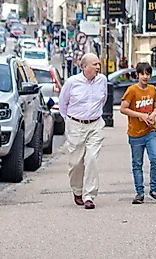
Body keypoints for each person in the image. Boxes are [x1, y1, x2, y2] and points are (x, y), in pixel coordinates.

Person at [58, 53, 108, 210]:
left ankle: (89, 196)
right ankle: (77, 190)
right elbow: (63, 104)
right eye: (94, 64)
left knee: (92, 159)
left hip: (95, 125)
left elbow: (103, 100)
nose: (98, 67)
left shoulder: (102, 81)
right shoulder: (72, 82)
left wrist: (93, 114)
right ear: (84, 67)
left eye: (98, 64)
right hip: (76, 125)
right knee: (75, 162)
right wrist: (70, 121)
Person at [120, 62, 156, 205]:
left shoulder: (152, 89)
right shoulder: (132, 90)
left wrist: (153, 114)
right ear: (137, 75)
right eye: (142, 74)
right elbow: (123, 108)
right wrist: (140, 115)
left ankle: (154, 189)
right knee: (137, 163)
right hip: (135, 133)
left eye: (147, 74)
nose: (145, 77)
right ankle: (139, 192)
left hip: (151, 130)